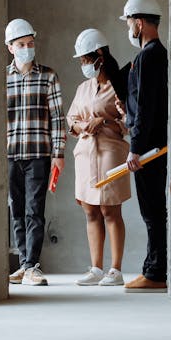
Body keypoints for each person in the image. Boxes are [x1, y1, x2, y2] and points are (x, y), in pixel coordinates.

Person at [66, 29, 131, 287]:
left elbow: (128, 122)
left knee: (110, 209)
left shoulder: (120, 86)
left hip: (109, 152)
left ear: (100, 56)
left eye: (85, 60)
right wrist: (82, 127)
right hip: (84, 154)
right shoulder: (83, 88)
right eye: (81, 60)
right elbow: (71, 120)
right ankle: (95, 268)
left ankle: (115, 269)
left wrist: (103, 120)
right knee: (90, 210)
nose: (83, 65)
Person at [6, 18, 66, 286]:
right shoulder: (2, 79)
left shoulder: (48, 76)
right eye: (21, 44)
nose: (27, 48)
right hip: (9, 155)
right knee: (16, 211)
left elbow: (58, 119)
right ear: (10, 47)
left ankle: (32, 265)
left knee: (34, 210)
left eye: (30, 43)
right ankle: (22, 263)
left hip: (39, 155)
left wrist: (59, 154)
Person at [120, 0, 168, 292]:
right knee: (153, 211)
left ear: (139, 22)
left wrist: (135, 148)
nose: (129, 28)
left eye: (129, 22)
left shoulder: (148, 56)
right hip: (152, 144)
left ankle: (155, 272)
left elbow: (147, 107)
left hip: (149, 149)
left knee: (152, 211)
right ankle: (155, 269)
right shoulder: (155, 55)